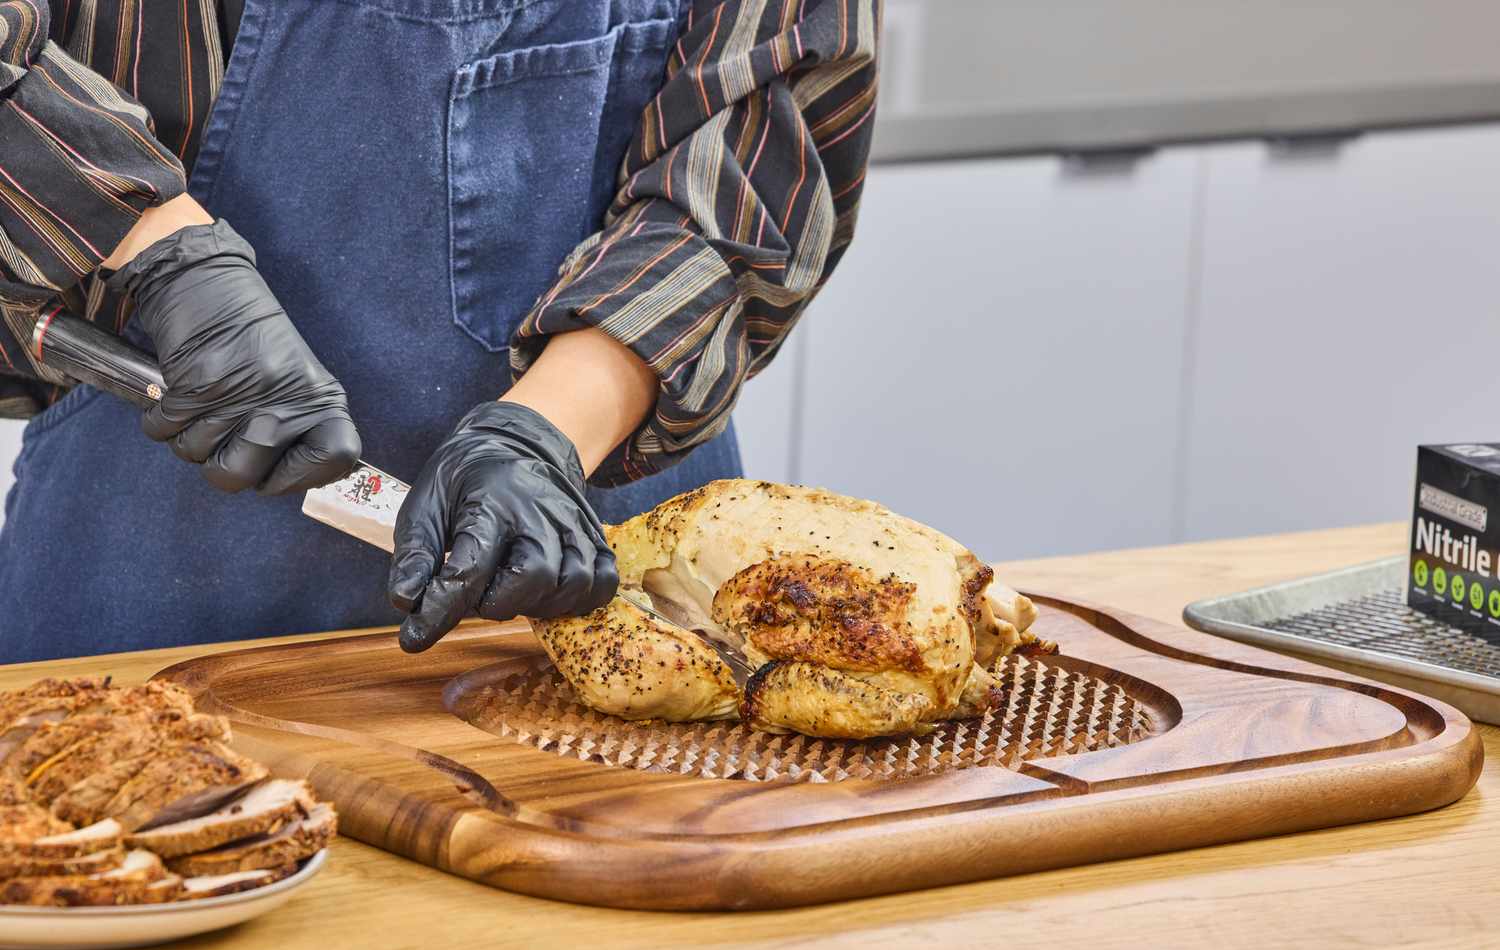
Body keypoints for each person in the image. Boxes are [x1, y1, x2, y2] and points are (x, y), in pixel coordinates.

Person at [0, 0, 879, 663]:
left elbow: (773, 118)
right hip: (148, 567)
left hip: (602, 559)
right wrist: (157, 253)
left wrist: (551, 428)